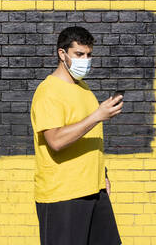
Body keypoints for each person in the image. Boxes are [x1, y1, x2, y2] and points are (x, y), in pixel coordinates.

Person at [30, 26, 123, 245]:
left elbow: (89, 137)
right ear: (62, 54)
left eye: (89, 55)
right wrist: (98, 115)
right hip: (63, 195)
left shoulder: (84, 89)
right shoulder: (48, 91)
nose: (85, 60)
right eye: (79, 54)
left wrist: (104, 174)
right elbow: (55, 140)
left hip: (94, 190)